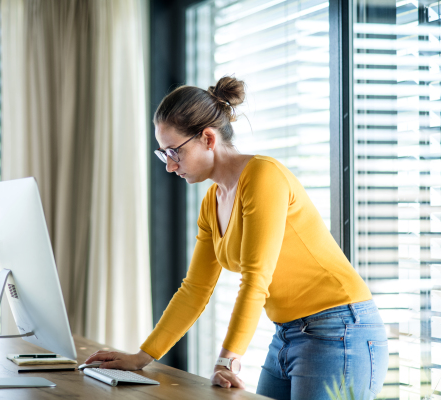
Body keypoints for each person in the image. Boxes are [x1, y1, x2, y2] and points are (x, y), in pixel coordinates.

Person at [84, 76, 389, 400]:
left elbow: (256, 277)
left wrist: (228, 359)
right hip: (288, 334)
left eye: (174, 152)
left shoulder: (262, 176)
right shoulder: (211, 203)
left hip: (340, 329)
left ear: (207, 139)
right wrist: (142, 357)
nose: (170, 167)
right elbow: (195, 290)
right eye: (164, 155)